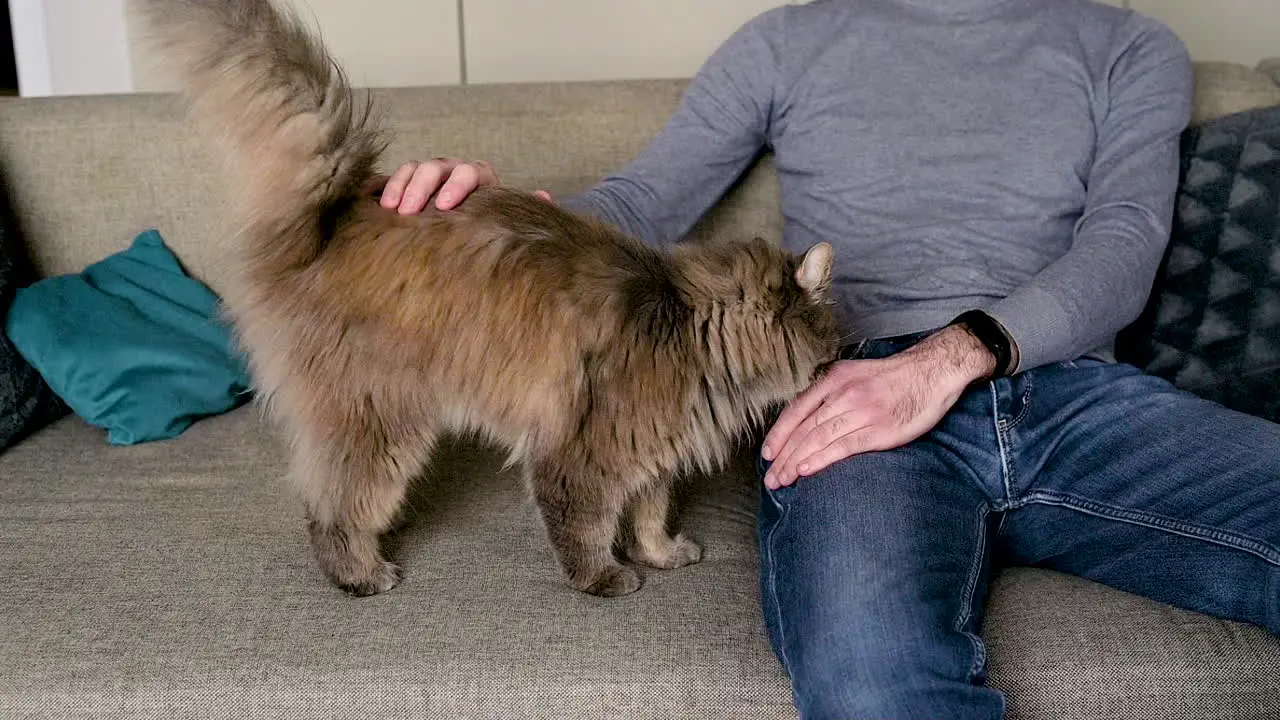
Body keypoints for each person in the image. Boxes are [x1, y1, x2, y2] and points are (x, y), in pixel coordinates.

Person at [372, 0, 1280, 717]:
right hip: (849, 404)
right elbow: (642, 203)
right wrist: (492, 222)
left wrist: (954, 357)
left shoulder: (1128, 45)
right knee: (872, 681)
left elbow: (1123, 243)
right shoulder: (785, 40)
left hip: (1073, 389)